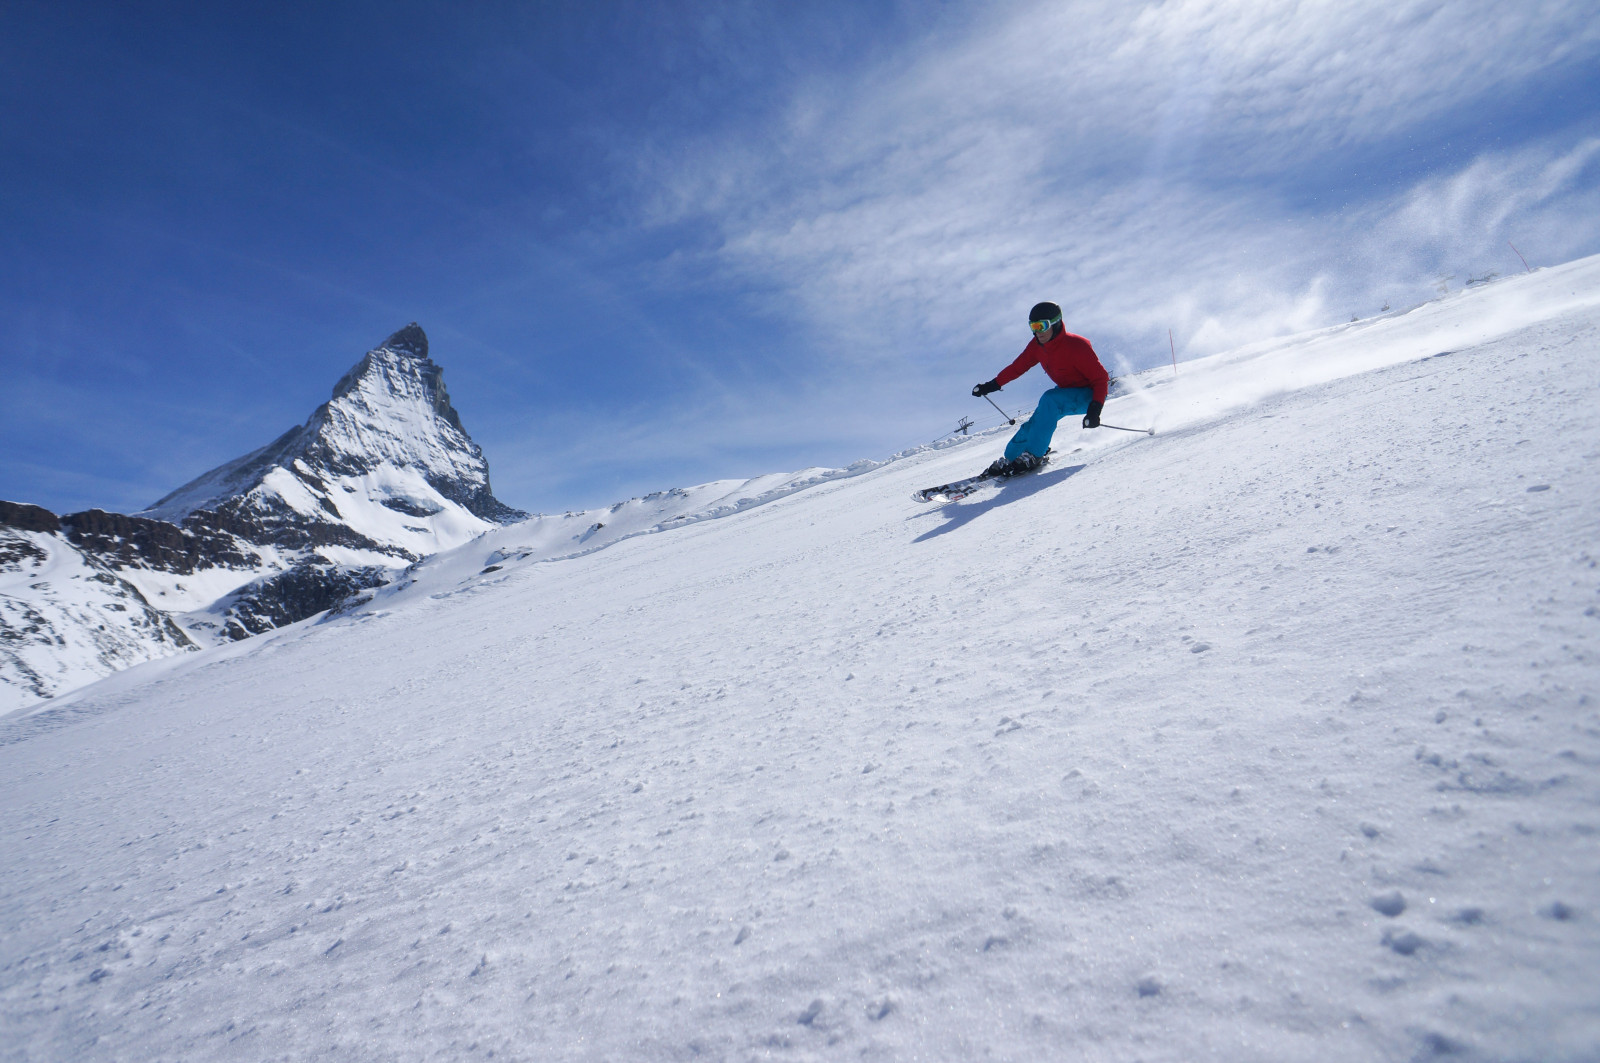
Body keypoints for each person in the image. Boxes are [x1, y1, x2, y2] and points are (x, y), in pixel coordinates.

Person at [972, 301, 1109, 476]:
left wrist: (1095, 409)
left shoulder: (1077, 345)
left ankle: (1035, 454)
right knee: (1036, 421)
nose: (1038, 331)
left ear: (1056, 323)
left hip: (1090, 396)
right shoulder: (1037, 346)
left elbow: (1101, 379)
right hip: (1064, 395)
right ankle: (1011, 457)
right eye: (1033, 326)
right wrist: (992, 385)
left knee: (1050, 399)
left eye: (1042, 326)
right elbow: (1017, 367)